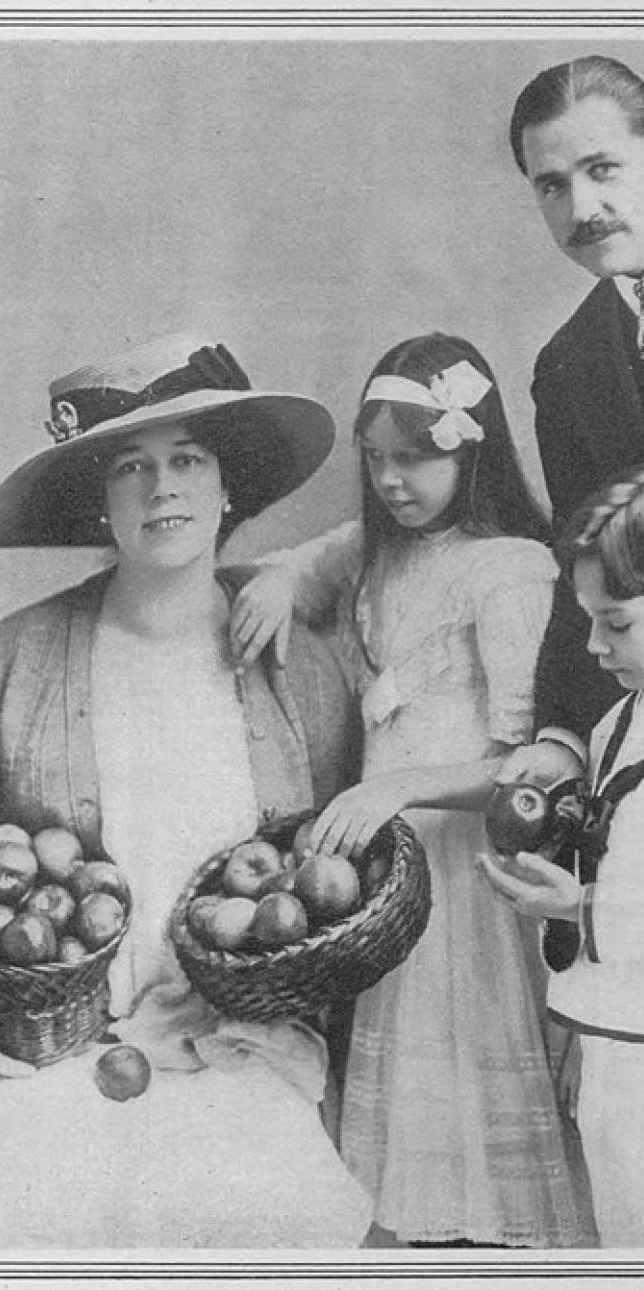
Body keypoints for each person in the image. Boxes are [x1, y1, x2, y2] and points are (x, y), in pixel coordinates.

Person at [0, 331, 373, 1248]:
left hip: (248, 1066)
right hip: (50, 1068)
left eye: (189, 458)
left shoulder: (306, 676)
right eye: (130, 467)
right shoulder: (9, 662)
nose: (163, 488)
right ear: (99, 503)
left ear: (231, 487)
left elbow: (345, 890)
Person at [227, 333, 591, 1247]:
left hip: (465, 863)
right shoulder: (378, 549)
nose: (393, 480)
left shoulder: (506, 566)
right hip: (390, 856)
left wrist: (401, 788)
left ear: (471, 450)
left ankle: (486, 1242)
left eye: (419, 458)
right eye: (377, 458)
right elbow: (310, 564)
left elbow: (524, 765)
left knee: (467, 1061)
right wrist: (276, 576)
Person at [477, 467, 644, 1247]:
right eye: (585, 620)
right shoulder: (613, 727)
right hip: (618, 1043)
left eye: (617, 623)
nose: (592, 645)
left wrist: (576, 907)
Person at [509, 54, 644, 758]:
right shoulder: (567, 368)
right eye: (552, 187)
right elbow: (582, 575)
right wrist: (561, 736)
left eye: (603, 169)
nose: (581, 210)